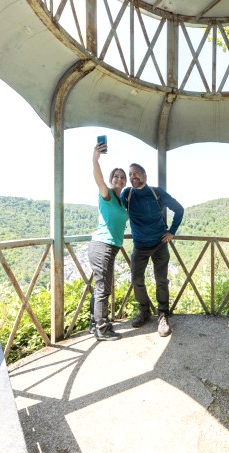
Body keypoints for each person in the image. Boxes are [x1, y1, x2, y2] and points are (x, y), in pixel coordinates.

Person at [121, 163, 184, 337]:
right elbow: (115, 207)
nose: (134, 176)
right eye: (131, 174)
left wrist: (172, 231)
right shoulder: (127, 194)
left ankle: (163, 315)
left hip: (159, 244)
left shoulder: (157, 193)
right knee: (136, 280)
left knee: (161, 280)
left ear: (145, 175)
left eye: (137, 173)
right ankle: (144, 311)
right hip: (139, 245)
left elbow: (179, 209)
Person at [88, 142, 129, 341]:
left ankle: (93, 323)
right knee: (103, 288)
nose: (119, 179)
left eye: (122, 177)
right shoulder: (107, 195)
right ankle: (102, 329)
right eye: (116, 176)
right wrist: (95, 159)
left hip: (109, 248)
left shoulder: (122, 201)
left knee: (100, 286)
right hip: (102, 246)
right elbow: (99, 180)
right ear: (112, 180)